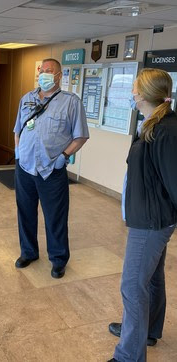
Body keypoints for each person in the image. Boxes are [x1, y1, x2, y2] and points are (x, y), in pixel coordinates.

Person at [107, 68, 177, 362]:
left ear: (146, 93)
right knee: (150, 278)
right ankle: (145, 331)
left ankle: (129, 356)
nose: (132, 93)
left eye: (135, 89)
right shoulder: (153, 123)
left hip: (152, 222)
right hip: (149, 216)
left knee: (133, 284)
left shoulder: (165, 130)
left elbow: (174, 181)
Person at [13, 58, 89, 278]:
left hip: (51, 170)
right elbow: (17, 129)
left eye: (49, 71)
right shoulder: (26, 99)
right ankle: (28, 252)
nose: (44, 74)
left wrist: (64, 156)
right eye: (42, 70)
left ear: (58, 75)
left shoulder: (71, 102)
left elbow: (81, 135)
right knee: (25, 212)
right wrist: (18, 153)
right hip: (25, 167)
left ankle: (58, 259)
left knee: (55, 216)